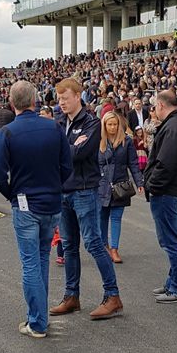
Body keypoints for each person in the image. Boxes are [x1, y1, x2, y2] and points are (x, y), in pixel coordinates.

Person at [0, 81, 72, 338]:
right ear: (34, 101)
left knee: (31, 264)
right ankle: (39, 316)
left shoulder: (7, 133)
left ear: (12, 102)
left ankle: (37, 321)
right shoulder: (54, 127)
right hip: (51, 202)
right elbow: (67, 166)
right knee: (40, 261)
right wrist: (56, 187)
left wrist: (13, 196)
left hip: (27, 204)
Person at [51, 77, 122, 321]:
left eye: (65, 98)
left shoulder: (91, 123)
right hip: (63, 191)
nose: (61, 102)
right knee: (69, 245)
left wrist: (66, 149)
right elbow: (59, 151)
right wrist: (68, 148)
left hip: (84, 190)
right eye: (59, 99)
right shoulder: (58, 122)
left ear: (77, 96)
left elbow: (79, 154)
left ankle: (112, 296)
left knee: (93, 243)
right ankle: (72, 296)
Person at [143, 89, 177, 304]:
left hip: (169, 191)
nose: (154, 110)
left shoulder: (174, 126)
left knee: (172, 241)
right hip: (176, 189)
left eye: (155, 106)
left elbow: (165, 163)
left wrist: (153, 186)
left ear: (162, 105)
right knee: (176, 239)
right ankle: (174, 282)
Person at [97, 109, 142, 264]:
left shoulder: (127, 141)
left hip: (120, 185)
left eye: (115, 124)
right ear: (104, 125)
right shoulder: (98, 141)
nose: (113, 127)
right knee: (102, 217)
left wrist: (139, 182)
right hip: (102, 185)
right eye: (109, 124)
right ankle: (104, 247)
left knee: (116, 218)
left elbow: (133, 163)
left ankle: (114, 249)